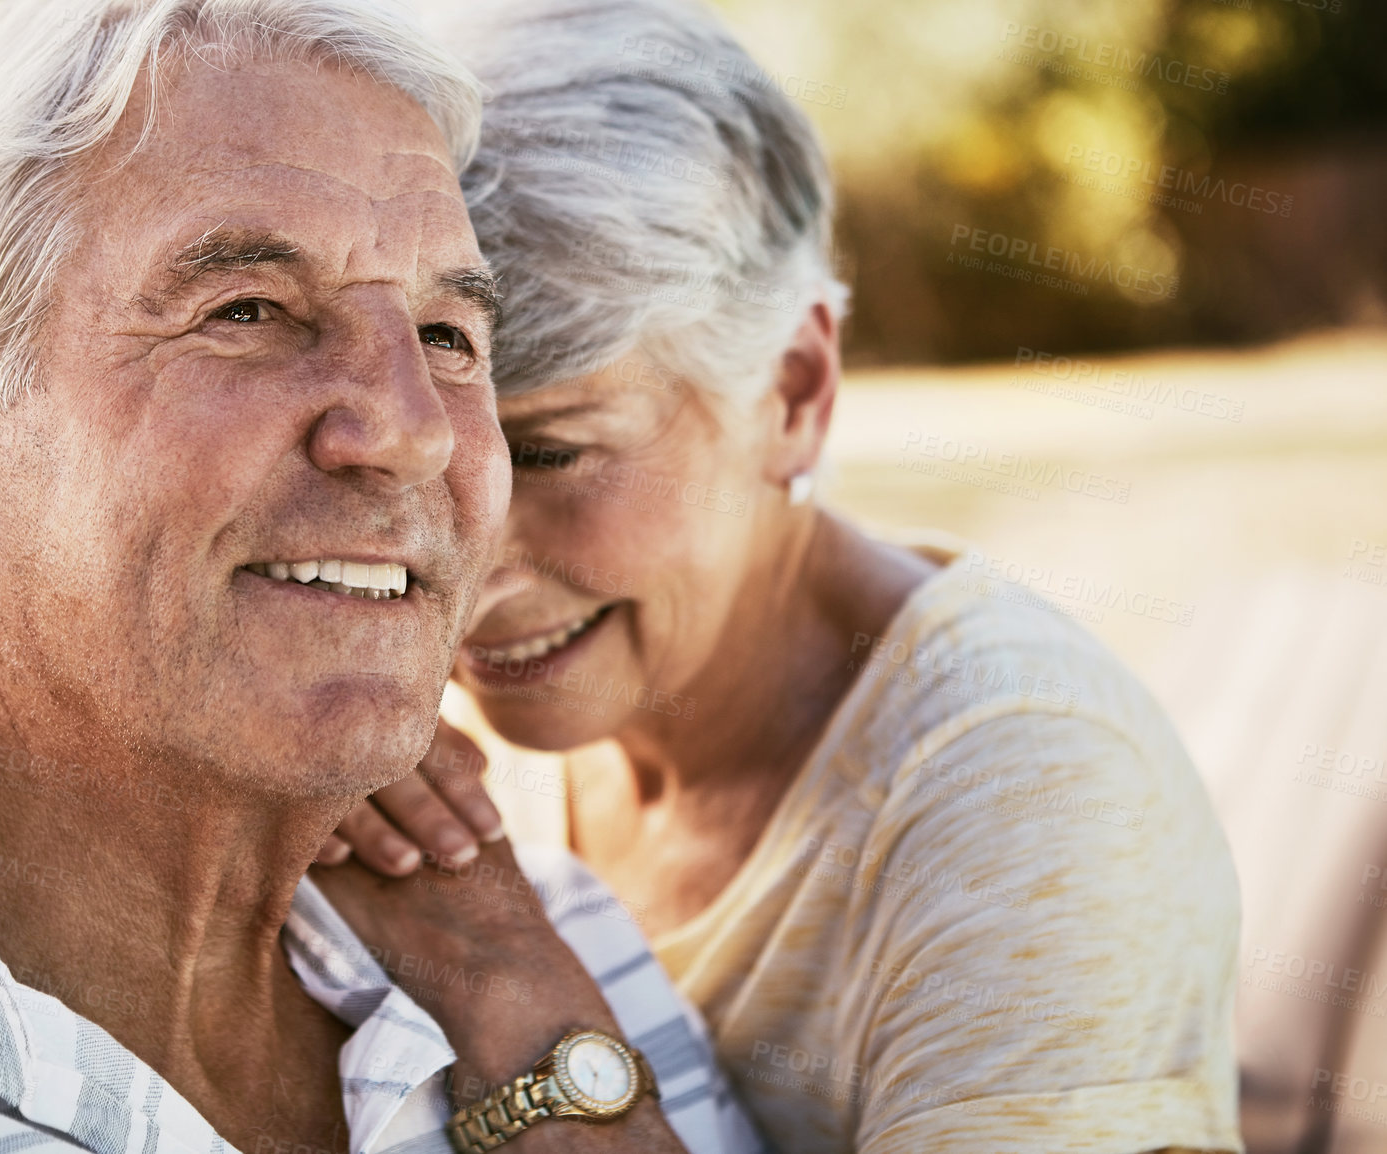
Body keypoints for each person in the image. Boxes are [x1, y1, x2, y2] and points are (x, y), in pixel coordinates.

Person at [0, 3, 763, 1153]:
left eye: (445, 335)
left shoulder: (554, 960)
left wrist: (529, 1016)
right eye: (246, 311)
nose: (410, 430)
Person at [320, 0, 1244, 1150]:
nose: (466, 565)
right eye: (445, 460)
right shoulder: (454, 732)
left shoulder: (1029, 786)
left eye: (552, 451)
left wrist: (500, 967)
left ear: (796, 390)